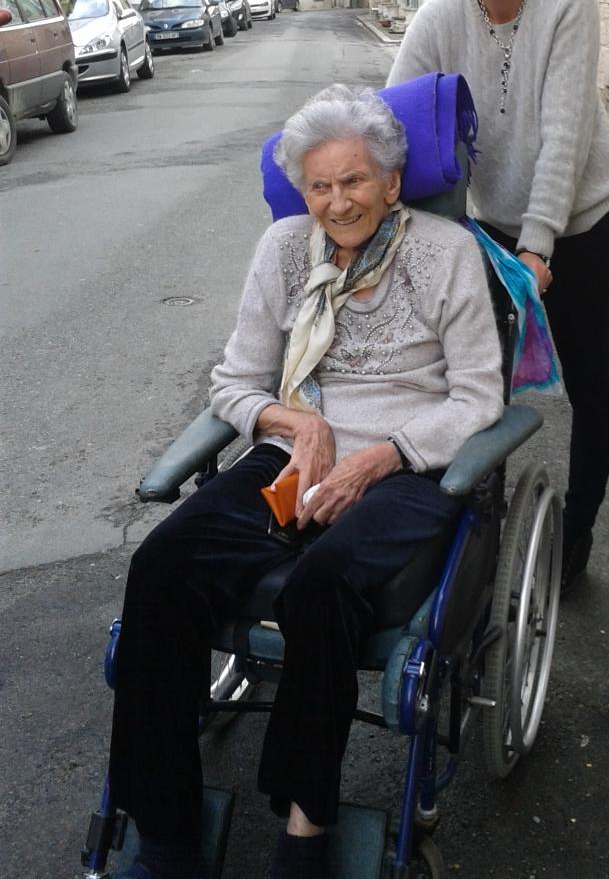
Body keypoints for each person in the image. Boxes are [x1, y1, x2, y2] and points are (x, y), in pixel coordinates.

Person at [108, 85, 504, 879]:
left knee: (320, 585)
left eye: (354, 181)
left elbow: (477, 398)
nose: (337, 201)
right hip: (298, 451)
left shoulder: (445, 252)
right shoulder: (286, 248)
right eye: (319, 185)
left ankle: (303, 827)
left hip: (408, 461)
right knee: (160, 570)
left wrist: (382, 452)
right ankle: (166, 834)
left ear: (392, 182)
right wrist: (298, 425)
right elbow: (236, 383)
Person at [389, 0, 609, 594]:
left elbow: (564, 135)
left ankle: (578, 533)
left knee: (590, 385)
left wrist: (537, 246)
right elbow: (389, 120)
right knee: (473, 385)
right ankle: (470, 528)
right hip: (491, 235)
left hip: (586, 227)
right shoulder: (439, 18)